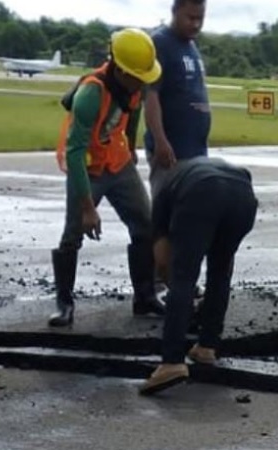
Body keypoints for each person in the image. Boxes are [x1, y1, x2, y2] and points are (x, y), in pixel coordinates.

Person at [49, 28, 166, 328]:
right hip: (87, 168)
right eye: (138, 75)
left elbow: (134, 109)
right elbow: (75, 152)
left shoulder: (134, 86)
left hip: (119, 163)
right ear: (121, 70)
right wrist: (89, 208)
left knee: (145, 224)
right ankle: (64, 303)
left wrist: (130, 143)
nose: (143, 81)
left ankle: (145, 297)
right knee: (72, 234)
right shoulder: (91, 93)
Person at [139, 157, 257, 395]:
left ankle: (172, 362)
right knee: (220, 271)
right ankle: (207, 346)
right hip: (244, 198)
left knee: (184, 276)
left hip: (202, 193)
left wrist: (179, 298)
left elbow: (163, 261)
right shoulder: (190, 172)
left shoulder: (162, 196)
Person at [144, 0, 210, 195]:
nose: (196, 24)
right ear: (175, 11)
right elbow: (151, 95)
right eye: (190, 18)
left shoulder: (190, 45)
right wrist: (160, 141)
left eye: (200, 19)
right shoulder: (160, 43)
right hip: (172, 151)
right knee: (166, 212)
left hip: (195, 149)